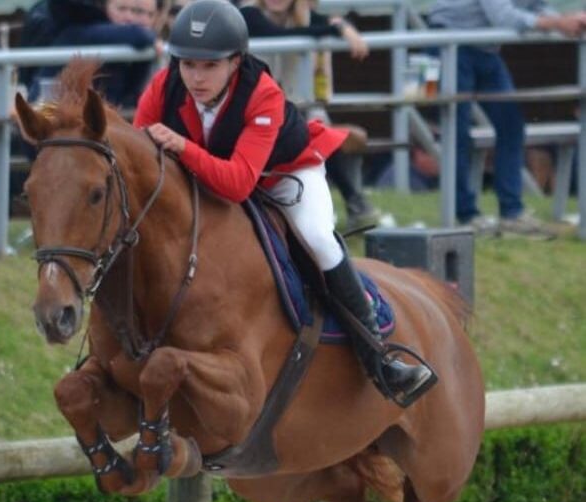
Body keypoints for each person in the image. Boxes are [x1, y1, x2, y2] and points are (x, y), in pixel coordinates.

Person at [135, 0, 435, 406]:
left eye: (210, 66)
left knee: (317, 237)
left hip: (283, 176)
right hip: (205, 179)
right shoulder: (164, 85)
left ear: (236, 62)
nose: (196, 77)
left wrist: (184, 149)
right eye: (188, 64)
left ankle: (379, 358)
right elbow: (140, 152)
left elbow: (239, 184)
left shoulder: (262, 93)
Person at [427, 0, 586, 236]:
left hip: (485, 49)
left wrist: (571, 20)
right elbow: (504, 17)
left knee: (511, 125)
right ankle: (466, 214)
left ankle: (512, 213)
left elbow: (534, 7)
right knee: (457, 132)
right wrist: (559, 23)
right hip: (451, 44)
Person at [240, 0, 382, 230]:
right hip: (254, 112)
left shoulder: (303, 17)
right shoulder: (248, 15)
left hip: (291, 111)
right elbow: (278, 35)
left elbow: (324, 23)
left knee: (320, 131)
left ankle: (353, 205)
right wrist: (335, 29)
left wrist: (343, 26)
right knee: (312, 132)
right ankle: (355, 203)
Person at [27, 0, 160, 108]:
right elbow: (140, 35)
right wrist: (152, 37)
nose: (129, 18)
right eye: (121, 9)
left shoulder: (84, 30)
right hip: (50, 115)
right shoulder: (83, 32)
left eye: (137, 12)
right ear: (104, 8)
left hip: (69, 115)